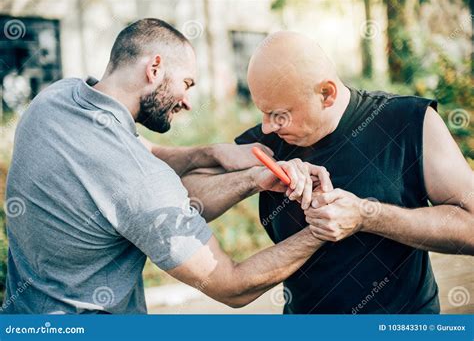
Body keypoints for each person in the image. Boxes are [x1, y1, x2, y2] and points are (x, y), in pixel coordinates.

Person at [2, 20, 332, 314]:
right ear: (155, 68)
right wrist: (323, 228)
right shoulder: (140, 179)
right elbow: (232, 285)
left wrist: (217, 157)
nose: (188, 101)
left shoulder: (55, 99)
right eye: (187, 83)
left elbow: (143, 150)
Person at [183, 31, 474, 314]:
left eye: (279, 114)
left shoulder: (409, 122)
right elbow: (186, 198)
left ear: (326, 94)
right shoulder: (268, 142)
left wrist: (365, 215)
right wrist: (251, 180)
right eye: (262, 112)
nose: (268, 126)